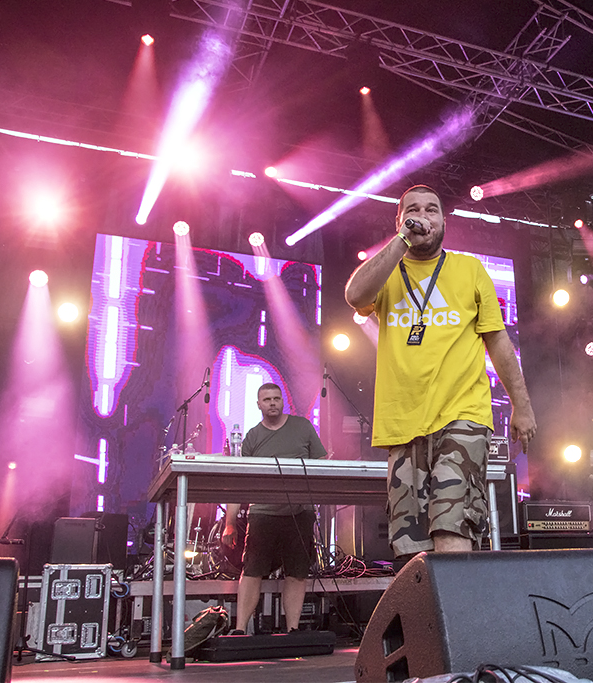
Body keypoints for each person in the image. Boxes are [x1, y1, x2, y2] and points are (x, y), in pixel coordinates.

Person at [344, 184, 536, 556]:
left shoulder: (469, 269)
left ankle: (457, 597)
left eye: (431, 210)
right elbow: (355, 296)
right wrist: (401, 241)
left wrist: (522, 405)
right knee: (411, 549)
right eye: (413, 210)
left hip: (462, 414)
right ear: (399, 221)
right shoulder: (388, 272)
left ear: (444, 221)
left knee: (451, 526)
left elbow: (498, 340)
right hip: (403, 423)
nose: (422, 216)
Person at [221, 383, 326, 633]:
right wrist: (229, 523)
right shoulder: (252, 437)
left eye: (276, 398)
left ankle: (293, 630)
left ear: (282, 401)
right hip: (262, 513)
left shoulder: (303, 427)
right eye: (267, 399)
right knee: (252, 570)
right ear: (258, 404)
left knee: (297, 572)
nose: (272, 403)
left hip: (299, 511)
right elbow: (240, 482)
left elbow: (323, 465)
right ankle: (240, 630)